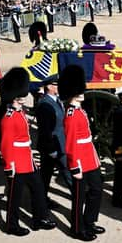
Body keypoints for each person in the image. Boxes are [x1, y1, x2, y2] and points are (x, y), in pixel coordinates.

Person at [0, 68, 56, 236]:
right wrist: (10, 166)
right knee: (14, 198)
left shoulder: (20, 112)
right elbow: (6, 144)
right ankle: (12, 225)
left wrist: (31, 154)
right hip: (17, 162)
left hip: (27, 159)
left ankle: (40, 218)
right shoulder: (9, 117)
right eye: (21, 96)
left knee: (38, 190)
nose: (24, 99)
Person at [60, 64, 103, 242]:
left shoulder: (79, 110)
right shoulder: (71, 114)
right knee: (78, 197)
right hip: (79, 160)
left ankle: (89, 220)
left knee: (97, 189)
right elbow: (70, 143)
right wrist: (74, 166)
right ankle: (77, 228)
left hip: (89, 157)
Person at [35, 74, 72, 207]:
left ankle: (41, 199)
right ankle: (77, 195)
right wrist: (52, 149)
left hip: (59, 144)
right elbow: (45, 130)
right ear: (49, 87)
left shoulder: (56, 100)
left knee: (46, 174)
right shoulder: (45, 104)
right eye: (56, 85)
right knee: (66, 171)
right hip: (52, 146)